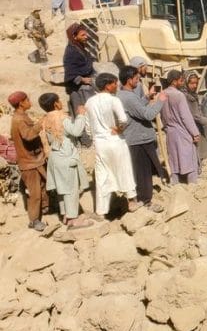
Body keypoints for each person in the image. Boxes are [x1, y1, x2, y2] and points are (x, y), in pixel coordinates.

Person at [85, 73, 141, 218]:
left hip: (100, 143)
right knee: (124, 170)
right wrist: (119, 129)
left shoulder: (89, 102)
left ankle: (101, 211)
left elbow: (88, 127)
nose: (117, 86)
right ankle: (131, 201)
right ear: (107, 86)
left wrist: (96, 137)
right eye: (114, 83)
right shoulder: (113, 100)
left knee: (102, 176)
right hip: (115, 141)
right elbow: (123, 119)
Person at [38, 93, 92, 229]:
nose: (61, 102)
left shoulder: (45, 119)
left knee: (62, 190)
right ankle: (73, 220)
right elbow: (76, 131)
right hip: (65, 157)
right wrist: (81, 115)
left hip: (54, 157)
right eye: (59, 100)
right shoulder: (60, 117)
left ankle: (66, 216)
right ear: (55, 104)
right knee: (71, 189)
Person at [117, 66, 167, 212]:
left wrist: (146, 98)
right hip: (139, 139)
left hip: (137, 137)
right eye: (136, 79)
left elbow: (136, 110)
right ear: (129, 80)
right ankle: (145, 201)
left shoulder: (124, 95)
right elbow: (147, 115)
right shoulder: (128, 97)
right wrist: (160, 101)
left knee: (141, 171)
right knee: (143, 172)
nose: (138, 81)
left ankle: (143, 198)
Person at [8, 91, 49, 231]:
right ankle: (34, 220)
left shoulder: (21, 116)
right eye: (27, 100)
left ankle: (44, 208)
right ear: (21, 103)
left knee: (42, 185)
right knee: (35, 193)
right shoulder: (19, 119)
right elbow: (28, 135)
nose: (30, 102)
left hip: (35, 159)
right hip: (29, 163)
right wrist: (40, 124)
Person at [160, 70, 200, 184]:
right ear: (174, 81)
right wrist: (195, 133)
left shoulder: (162, 94)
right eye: (181, 80)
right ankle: (192, 183)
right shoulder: (179, 96)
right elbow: (186, 117)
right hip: (182, 132)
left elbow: (162, 116)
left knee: (174, 160)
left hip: (170, 132)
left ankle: (175, 183)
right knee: (190, 160)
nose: (182, 83)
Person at [63, 23, 96, 118]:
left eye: (86, 34)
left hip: (85, 86)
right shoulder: (71, 52)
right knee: (83, 115)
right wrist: (82, 79)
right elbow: (70, 72)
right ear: (74, 36)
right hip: (77, 89)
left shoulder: (79, 47)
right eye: (83, 35)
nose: (86, 37)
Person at [182, 71, 207, 161]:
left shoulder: (190, 94)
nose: (195, 86)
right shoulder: (187, 97)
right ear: (186, 83)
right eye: (192, 83)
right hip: (191, 126)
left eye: (196, 83)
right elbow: (195, 116)